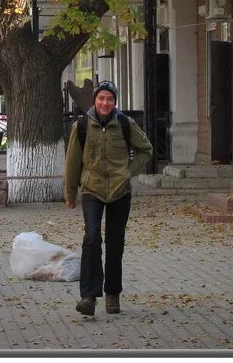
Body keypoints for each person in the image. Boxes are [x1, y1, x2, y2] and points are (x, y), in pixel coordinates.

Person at [63, 80, 153, 317]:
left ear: (114, 102)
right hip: (92, 189)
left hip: (120, 191)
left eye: (109, 99)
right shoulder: (82, 126)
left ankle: (113, 294)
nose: (105, 103)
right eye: (101, 98)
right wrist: (70, 193)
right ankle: (88, 297)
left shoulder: (125, 123)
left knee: (115, 243)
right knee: (92, 238)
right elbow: (72, 163)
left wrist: (128, 172)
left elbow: (146, 149)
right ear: (94, 100)